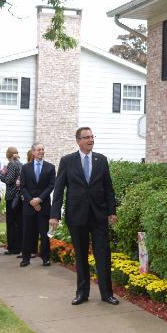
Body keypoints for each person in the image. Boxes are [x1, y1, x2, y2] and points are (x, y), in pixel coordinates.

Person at [51, 127, 119, 305]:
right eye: (87, 137)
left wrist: (112, 211)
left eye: (92, 137)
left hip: (99, 216)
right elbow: (58, 190)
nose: (91, 140)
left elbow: (108, 189)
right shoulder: (67, 161)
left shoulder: (101, 160)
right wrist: (54, 215)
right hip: (77, 216)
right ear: (78, 141)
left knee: (103, 255)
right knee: (80, 255)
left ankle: (107, 294)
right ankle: (82, 293)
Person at [20, 143, 55, 267]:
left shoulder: (50, 167)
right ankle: (25, 258)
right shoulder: (25, 168)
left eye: (42, 150)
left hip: (44, 206)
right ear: (33, 152)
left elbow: (51, 186)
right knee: (27, 233)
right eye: (39, 150)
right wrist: (32, 201)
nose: (41, 151)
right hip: (29, 207)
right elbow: (23, 187)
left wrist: (39, 199)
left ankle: (46, 258)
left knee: (45, 234)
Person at [0, 147, 23, 256]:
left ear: (7, 155)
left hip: (11, 197)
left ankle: (13, 248)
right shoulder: (20, 164)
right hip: (19, 197)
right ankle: (19, 246)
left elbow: (9, 180)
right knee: (19, 222)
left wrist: (1, 174)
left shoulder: (11, 164)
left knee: (11, 223)